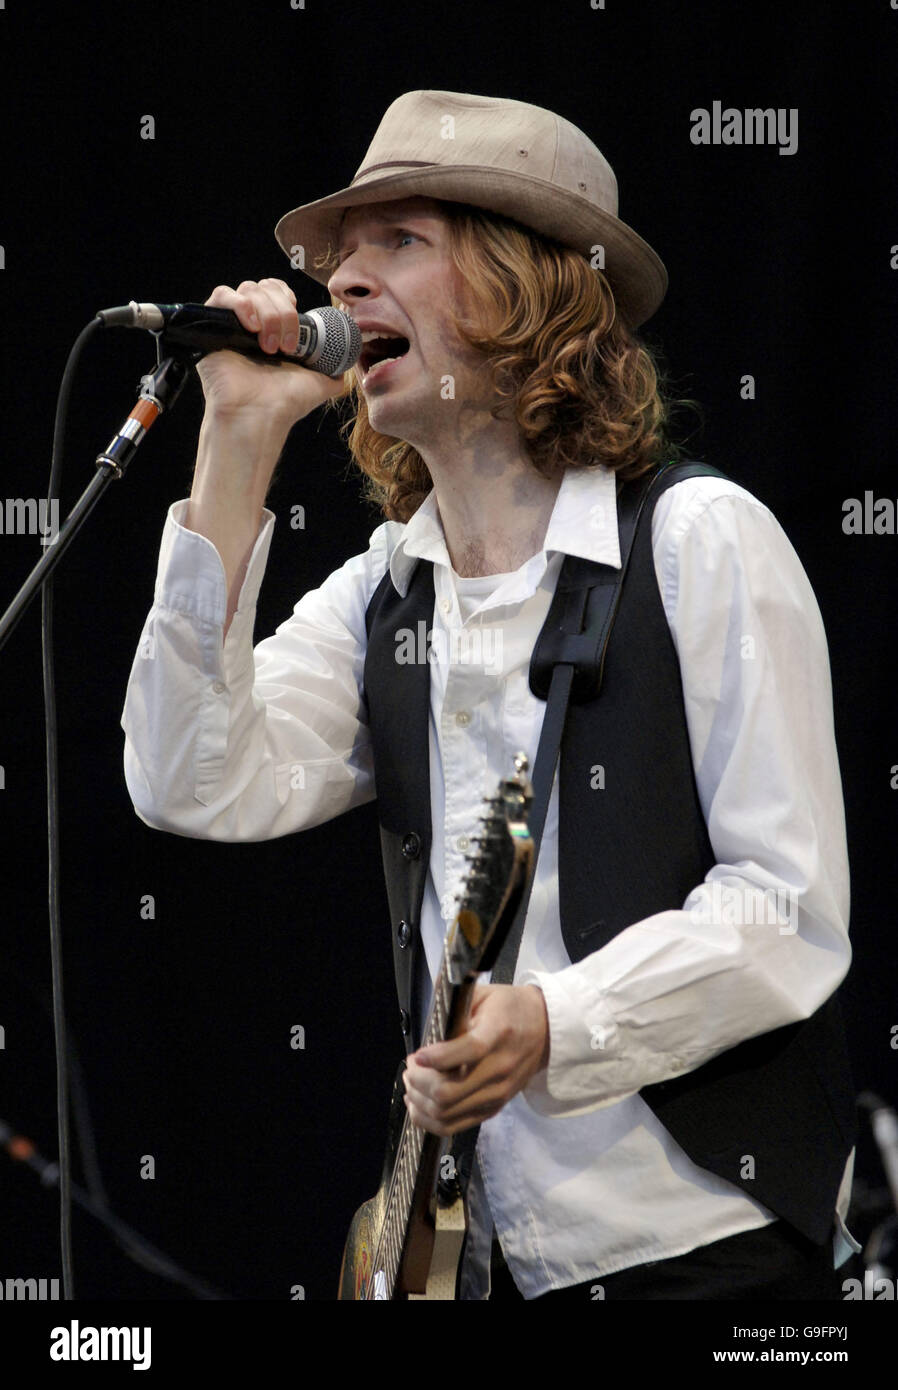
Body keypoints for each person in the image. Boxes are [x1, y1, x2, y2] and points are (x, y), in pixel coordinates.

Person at [122, 89, 859, 1300]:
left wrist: (557, 1022)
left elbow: (786, 911)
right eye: (340, 257)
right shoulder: (384, 592)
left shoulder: (700, 541)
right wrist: (236, 443)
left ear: (531, 291)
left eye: (398, 243)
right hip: (486, 1265)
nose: (343, 284)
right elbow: (190, 784)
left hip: (706, 1255)